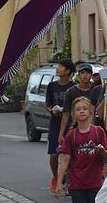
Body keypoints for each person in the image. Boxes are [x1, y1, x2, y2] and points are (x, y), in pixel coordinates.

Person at [57, 96, 107, 202]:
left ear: (90, 111)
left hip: (95, 182)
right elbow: (65, 160)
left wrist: (103, 151)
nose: (82, 111)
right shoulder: (71, 135)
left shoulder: (99, 132)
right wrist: (59, 183)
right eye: (78, 109)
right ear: (73, 114)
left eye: (85, 108)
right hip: (77, 183)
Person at [46, 59, 76, 193]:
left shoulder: (74, 86)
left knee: (70, 154)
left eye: (61, 66)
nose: (58, 68)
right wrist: (52, 110)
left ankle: (67, 180)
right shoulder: (52, 86)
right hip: (55, 123)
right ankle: (55, 176)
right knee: (53, 154)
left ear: (68, 71)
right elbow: (48, 105)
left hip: (70, 124)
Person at [60, 62, 99, 145]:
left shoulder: (96, 90)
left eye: (88, 73)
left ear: (91, 75)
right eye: (82, 73)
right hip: (75, 127)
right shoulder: (70, 92)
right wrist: (61, 133)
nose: (85, 75)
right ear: (78, 75)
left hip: (91, 128)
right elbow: (66, 113)